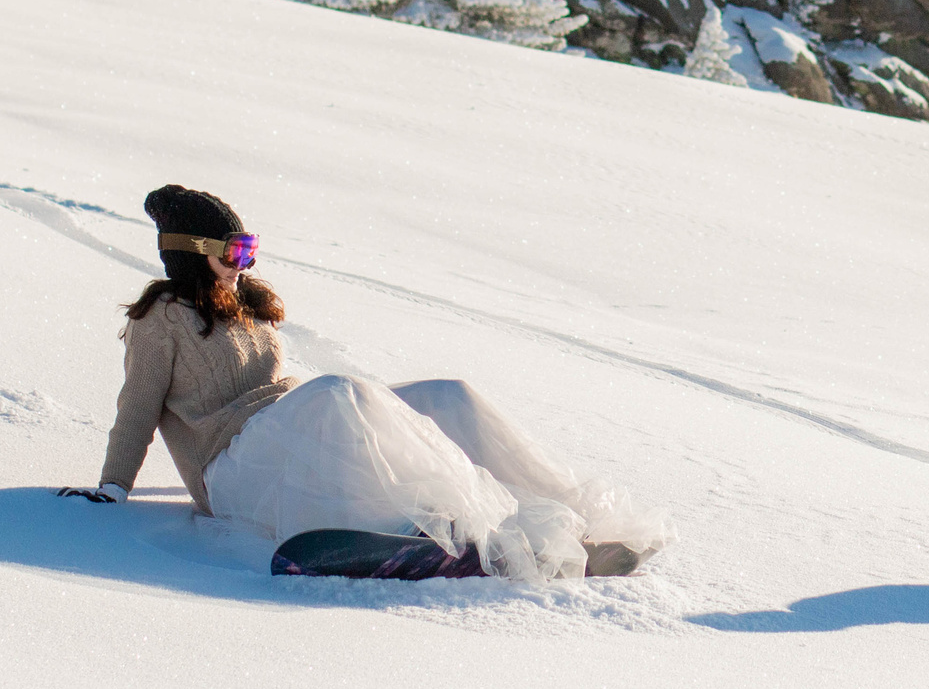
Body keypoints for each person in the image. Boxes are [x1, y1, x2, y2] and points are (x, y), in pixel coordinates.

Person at [59, 185, 665, 581]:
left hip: (287, 432)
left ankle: (568, 520)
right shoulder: (160, 319)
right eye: (233, 250)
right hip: (233, 469)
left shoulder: (244, 305)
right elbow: (137, 407)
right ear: (192, 252)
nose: (245, 263)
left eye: (250, 249)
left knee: (444, 395)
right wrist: (113, 486)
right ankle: (429, 530)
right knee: (339, 395)